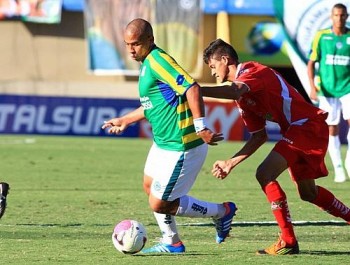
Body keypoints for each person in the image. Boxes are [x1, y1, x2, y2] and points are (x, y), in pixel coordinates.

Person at [201, 38, 350, 255]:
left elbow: (234, 90)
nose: (213, 73)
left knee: (264, 173)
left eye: (213, 67)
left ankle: (288, 240)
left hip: (306, 126)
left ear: (225, 60)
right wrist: (230, 162)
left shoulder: (253, 71)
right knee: (308, 193)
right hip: (298, 131)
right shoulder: (243, 99)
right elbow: (258, 136)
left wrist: (195, 90)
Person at [102, 19, 237, 254]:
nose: (131, 50)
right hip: (163, 143)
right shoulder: (146, 63)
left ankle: (222, 211)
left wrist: (200, 126)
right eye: (127, 44)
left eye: (135, 44)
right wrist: (126, 120)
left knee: (160, 203)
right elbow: (153, 104)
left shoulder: (158, 60)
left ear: (150, 40)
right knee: (149, 186)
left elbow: (192, 88)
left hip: (182, 144)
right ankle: (172, 241)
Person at [307, 3, 350, 183]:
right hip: (327, 90)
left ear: (346, 16)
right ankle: (338, 168)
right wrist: (312, 87)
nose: (339, 18)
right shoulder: (321, 36)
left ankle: (349, 161)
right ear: (331, 17)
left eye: (342, 15)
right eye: (336, 15)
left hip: (347, 87)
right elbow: (311, 63)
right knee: (332, 127)